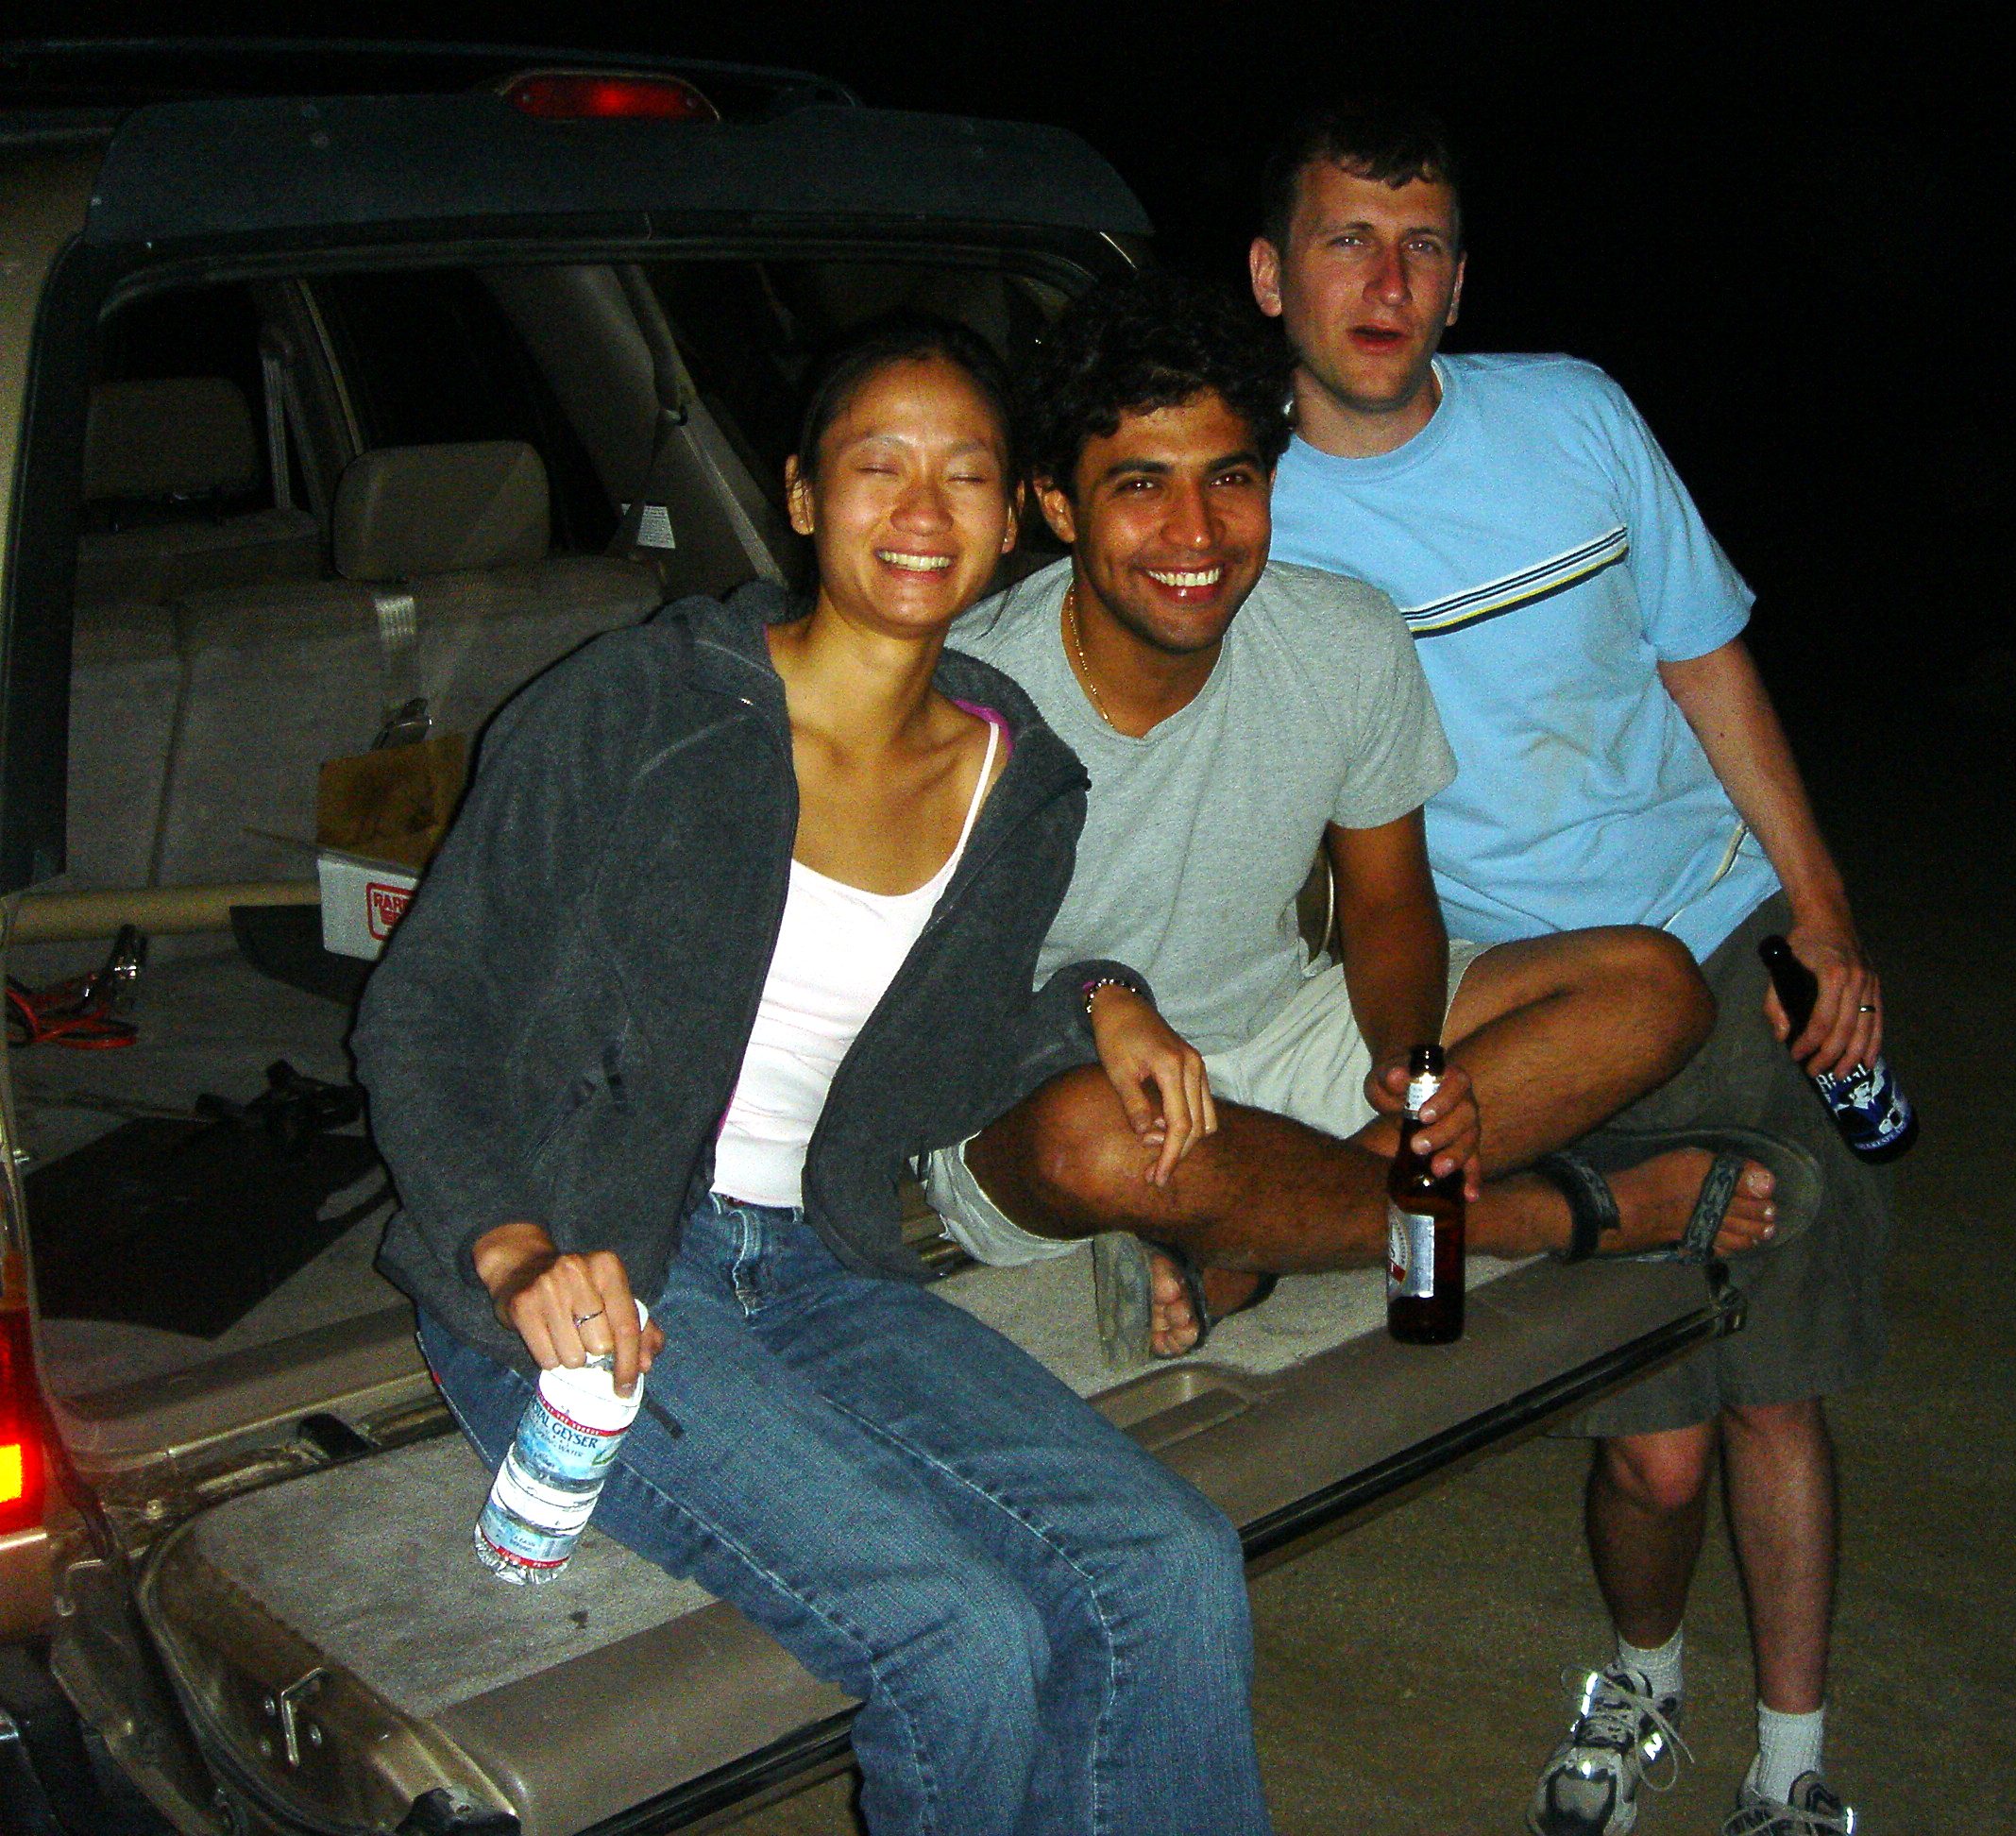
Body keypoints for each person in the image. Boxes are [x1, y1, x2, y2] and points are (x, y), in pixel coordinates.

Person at [354, 318, 1272, 1836]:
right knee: (961, 1641)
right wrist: (509, 1248)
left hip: (817, 1267)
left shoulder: (1016, 778)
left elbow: (937, 1073)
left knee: (1169, 1560)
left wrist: (1097, 1003)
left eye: (963, 474)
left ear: (1013, 511)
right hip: (588, 1275)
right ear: (799, 494)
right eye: (877, 466)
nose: (921, 509)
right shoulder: (637, 706)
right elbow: (425, 1009)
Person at [1253, 101, 1895, 1836]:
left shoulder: (1575, 416)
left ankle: (1793, 1766)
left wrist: (1822, 910)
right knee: (1653, 1443)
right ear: (1271, 275)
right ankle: (1641, 1678)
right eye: (1345, 240)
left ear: (1461, 282)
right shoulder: (1243, 517)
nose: (1387, 283)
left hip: (1726, 942)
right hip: (1540, 1004)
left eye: (1423, 246)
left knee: (1779, 1400)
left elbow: (1709, 665)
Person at [929, 270, 1791, 1363]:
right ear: (1058, 505)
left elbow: (1388, 903)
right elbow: (936, 1010)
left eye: (1230, 478)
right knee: (1088, 1145)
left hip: (1276, 1031)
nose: (1195, 531)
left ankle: (1259, 1228)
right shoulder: (969, 700)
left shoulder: (1342, 637)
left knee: (1653, 986)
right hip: (1059, 1079)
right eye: (1141, 485)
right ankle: (1555, 1215)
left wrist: (1411, 1062)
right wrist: (1101, 1006)